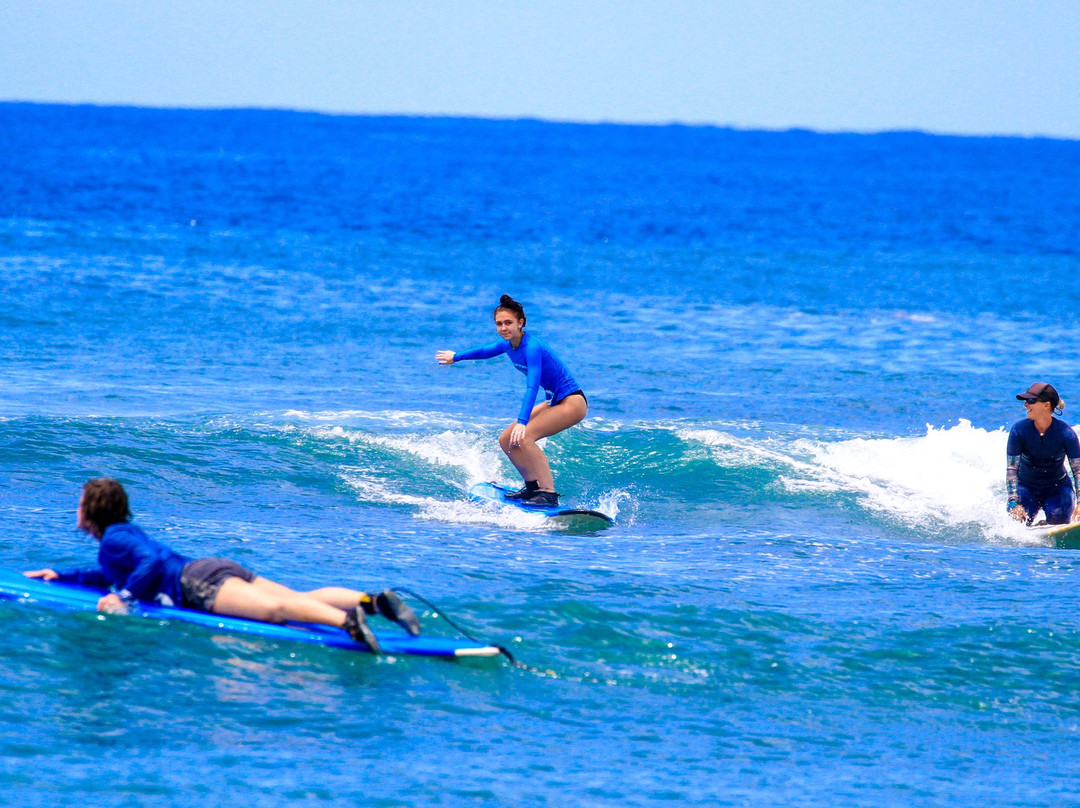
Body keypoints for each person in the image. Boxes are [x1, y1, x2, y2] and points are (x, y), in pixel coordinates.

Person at [24, 478, 419, 653]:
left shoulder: (114, 538)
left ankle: (348, 623)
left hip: (195, 584)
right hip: (210, 569)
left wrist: (123, 598)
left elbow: (146, 564)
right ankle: (371, 602)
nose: (75, 510)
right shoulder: (118, 538)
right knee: (297, 599)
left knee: (276, 611)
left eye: (79, 503)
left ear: (91, 510)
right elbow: (112, 573)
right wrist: (64, 577)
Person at [436, 294, 587, 507]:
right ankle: (532, 488)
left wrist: (523, 421)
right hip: (555, 401)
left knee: (525, 438)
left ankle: (548, 493)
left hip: (572, 402)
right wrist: (456, 356)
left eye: (508, 323)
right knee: (506, 440)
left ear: (520, 323)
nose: (503, 328)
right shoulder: (508, 344)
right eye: (499, 324)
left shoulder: (532, 347)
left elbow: (532, 386)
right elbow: (483, 351)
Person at [1006, 382, 1080, 526]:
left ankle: (1045, 523)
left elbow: (1078, 471)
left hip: (1058, 487)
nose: (1026, 405)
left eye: (1031, 401)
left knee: (1058, 517)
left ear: (1046, 405)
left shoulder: (1066, 434)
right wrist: (1013, 502)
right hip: (1026, 487)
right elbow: (1012, 469)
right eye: (1026, 401)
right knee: (1020, 521)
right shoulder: (1018, 431)